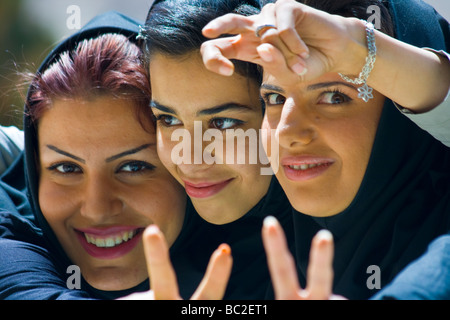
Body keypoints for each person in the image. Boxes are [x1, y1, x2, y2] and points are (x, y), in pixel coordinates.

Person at [200, 0, 450, 299]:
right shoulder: (238, 262)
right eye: (275, 98)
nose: (286, 132)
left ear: (402, 116)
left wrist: (363, 49)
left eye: (334, 97)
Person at [0, 11, 193, 299]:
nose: (97, 209)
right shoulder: (11, 229)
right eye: (66, 168)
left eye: (133, 167)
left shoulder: (255, 240)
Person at [136, 0, 294, 299]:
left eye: (222, 123)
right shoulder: (155, 249)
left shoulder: (356, 246)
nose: (191, 158)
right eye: (168, 120)